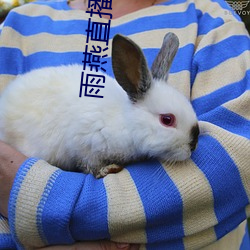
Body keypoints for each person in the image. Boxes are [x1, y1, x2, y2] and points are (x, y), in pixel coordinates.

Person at [0, 0, 250, 249]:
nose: (192, 147)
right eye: (167, 121)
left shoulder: (212, 19)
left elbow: (232, 170)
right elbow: (80, 135)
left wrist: (38, 209)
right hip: (27, 123)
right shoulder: (16, 28)